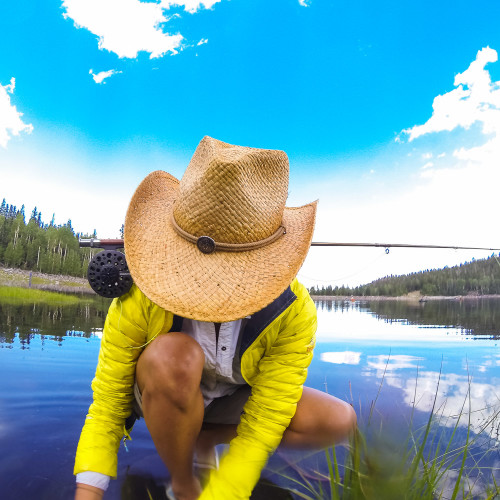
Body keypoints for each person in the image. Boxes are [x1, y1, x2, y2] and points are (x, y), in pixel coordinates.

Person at [73, 136, 357, 500]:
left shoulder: (294, 311)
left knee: (339, 419)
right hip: (162, 389)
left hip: (232, 399)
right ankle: (182, 481)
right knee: (173, 357)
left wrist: (226, 492)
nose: (211, 286)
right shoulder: (139, 295)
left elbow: (266, 420)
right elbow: (109, 405)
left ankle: (204, 438)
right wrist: (88, 491)